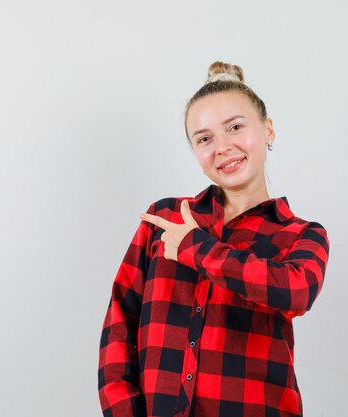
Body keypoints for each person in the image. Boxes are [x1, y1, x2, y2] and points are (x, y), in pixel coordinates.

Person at [98, 61, 330, 417]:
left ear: (268, 130)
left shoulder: (301, 234)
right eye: (204, 138)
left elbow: (295, 292)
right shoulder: (164, 219)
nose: (222, 147)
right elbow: (119, 325)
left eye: (235, 127)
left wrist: (196, 248)